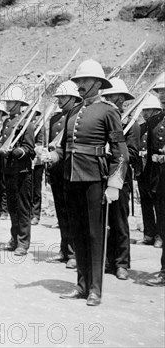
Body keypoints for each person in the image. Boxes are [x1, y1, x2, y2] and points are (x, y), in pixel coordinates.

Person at [42, 60, 129, 306]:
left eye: (84, 81)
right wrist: (52, 156)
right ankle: (81, 285)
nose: (79, 85)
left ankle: (95, 290)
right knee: (77, 233)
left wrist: (114, 184)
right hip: (72, 178)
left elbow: (121, 153)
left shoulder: (108, 111)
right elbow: (65, 148)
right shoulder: (72, 111)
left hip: (94, 180)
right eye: (78, 81)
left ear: (98, 84)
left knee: (94, 234)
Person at [102, 78, 140, 281]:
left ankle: (122, 263)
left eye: (111, 97)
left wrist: (115, 154)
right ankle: (107, 260)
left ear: (121, 100)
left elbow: (132, 154)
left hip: (120, 177)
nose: (108, 101)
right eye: (106, 97)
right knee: (104, 221)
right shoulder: (104, 122)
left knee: (119, 221)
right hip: (101, 176)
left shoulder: (130, 125)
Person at [45, 81, 81, 269]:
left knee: (72, 212)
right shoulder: (55, 119)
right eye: (58, 97)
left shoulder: (78, 117)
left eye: (63, 97)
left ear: (73, 98)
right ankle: (64, 249)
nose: (59, 100)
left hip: (72, 170)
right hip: (57, 170)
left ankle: (74, 253)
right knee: (61, 212)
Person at [0, 85, 35, 256]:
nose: (7, 104)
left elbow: (29, 148)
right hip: (8, 170)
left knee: (22, 207)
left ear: (18, 103)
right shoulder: (6, 122)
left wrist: (15, 151)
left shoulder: (26, 122)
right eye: (7, 101)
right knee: (12, 206)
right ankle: (14, 238)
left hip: (21, 171)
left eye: (10, 101)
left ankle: (23, 242)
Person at [144, 72, 165, 287]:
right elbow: (150, 153)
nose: (164, 96)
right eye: (161, 93)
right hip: (160, 180)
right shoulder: (154, 121)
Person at [136, 93, 163, 247]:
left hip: (156, 171)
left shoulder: (160, 127)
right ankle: (149, 234)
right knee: (145, 203)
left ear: (156, 111)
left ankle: (160, 235)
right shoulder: (140, 127)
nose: (145, 114)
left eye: (149, 110)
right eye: (144, 111)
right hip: (143, 171)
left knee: (159, 203)